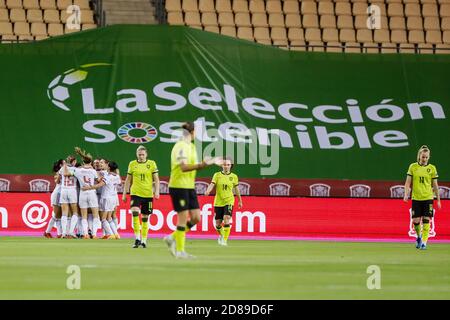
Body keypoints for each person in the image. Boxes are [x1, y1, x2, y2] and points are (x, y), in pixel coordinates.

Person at [163, 121, 221, 259]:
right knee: (182, 219)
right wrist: (202, 165)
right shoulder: (180, 146)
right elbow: (183, 167)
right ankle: (180, 251)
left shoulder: (192, 147)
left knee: (196, 218)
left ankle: (171, 238)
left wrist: (206, 162)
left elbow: (194, 165)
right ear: (192, 132)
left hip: (189, 187)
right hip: (178, 186)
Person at [403, 145, 442, 250]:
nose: (424, 159)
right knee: (416, 220)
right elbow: (407, 183)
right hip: (416, 198)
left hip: (428, 197)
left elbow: (435, 185)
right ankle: (419, 237)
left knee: (426, 220)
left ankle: (424, 242)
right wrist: (406, 194)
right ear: (419, 156)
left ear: (428, 157)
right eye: (422, 157)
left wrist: (438, 200)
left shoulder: (432, 168)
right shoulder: (413, 167)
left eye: (426, 157)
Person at [122, 145, 160, 248]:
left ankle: (144, 240)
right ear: (137, 154)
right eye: (139, 154)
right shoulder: (132, 164)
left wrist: (157, 192)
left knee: (144, 217)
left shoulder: (151, 164)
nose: (141, 156)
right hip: (135, 193)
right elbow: (128, 180)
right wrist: (125, 193)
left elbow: (156, 179)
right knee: (135, 212)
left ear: (146, 154)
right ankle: (137, 238)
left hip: (148, 194)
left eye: (143, 154)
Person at [205, 157, 243, 246]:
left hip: (229, 200)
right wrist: (208, 190)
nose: (226, 166)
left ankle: (224, 240)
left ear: (231, 166)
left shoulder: (234, 176)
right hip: (218, 201)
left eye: (228, 165)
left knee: (226, 218)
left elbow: (237, 189)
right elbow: (212, 184)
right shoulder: (217, 175)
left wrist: (240, 200)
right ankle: (222, 235)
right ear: (222, 165)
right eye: (224, 164)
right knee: (218, 223)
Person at [65, 147, 101, 239]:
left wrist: (67, 164)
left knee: (84, 216)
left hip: (82, 192)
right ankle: (94, 234)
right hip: (91, 192)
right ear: (91, 162)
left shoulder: (78, 170)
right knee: (95, 215)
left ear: (83, 162)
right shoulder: (93, 171)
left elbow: (67, 174)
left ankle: (85, 234)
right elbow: (99, 180)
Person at [58, 155, 79, 238]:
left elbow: (58, 180)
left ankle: (63, 233)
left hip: (63, 190)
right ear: (73, 162)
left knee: (64, 213)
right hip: (72, 190)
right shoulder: (76, 169)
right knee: (75, 212)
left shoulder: (62, 168)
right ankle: (70, 232)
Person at [44, 159, 65, 238]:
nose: (66, 164)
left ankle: (59, 234)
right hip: (57, 194)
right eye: (64, 163)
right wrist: (60, 175)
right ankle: (47, 232)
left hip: (61, 194)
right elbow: (57, 181)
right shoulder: (58, 173)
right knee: (56, 215)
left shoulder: (65, 172)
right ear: (60, 165)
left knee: (59, 215)